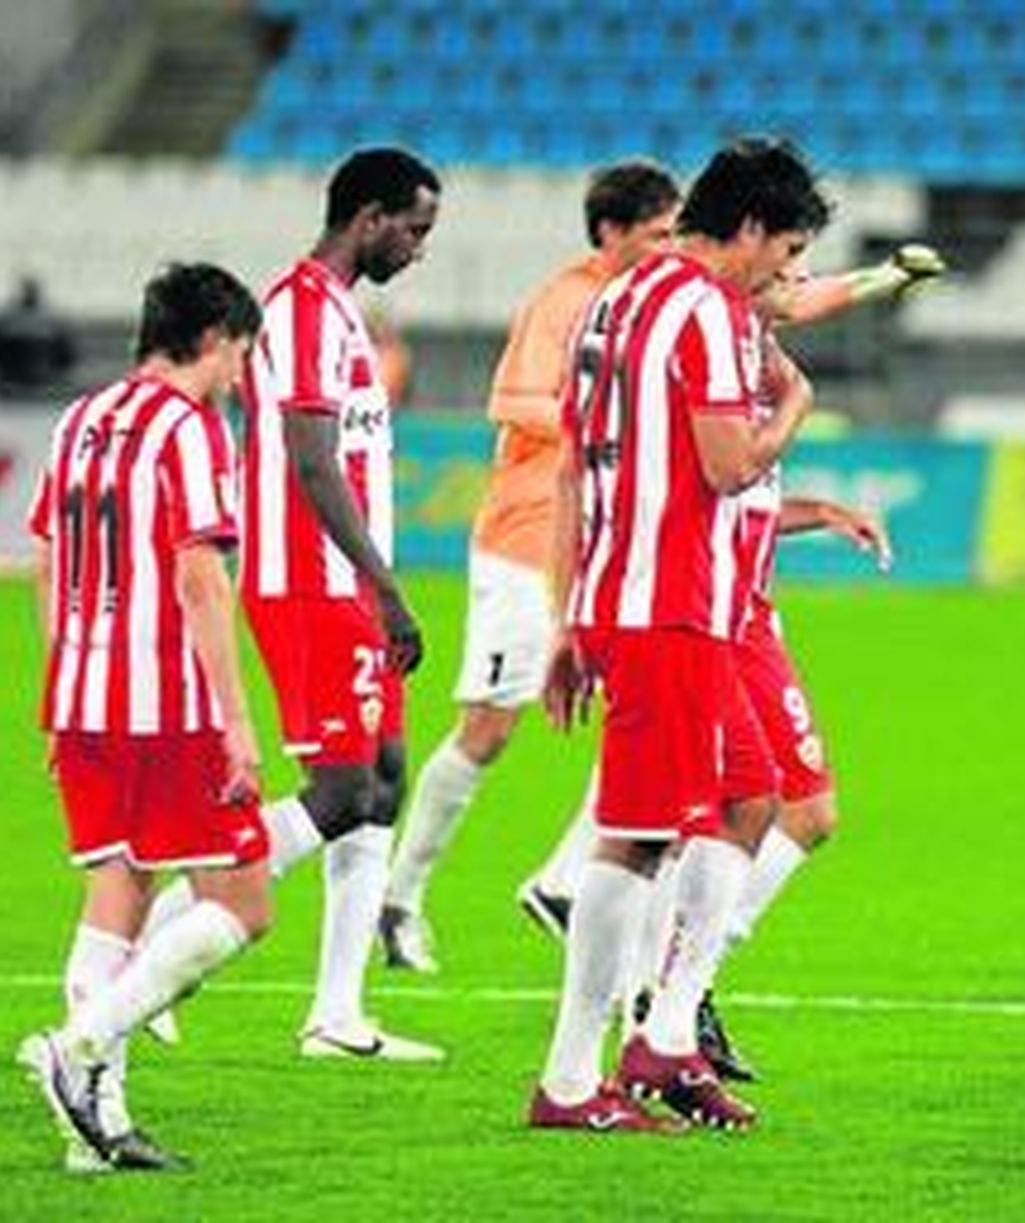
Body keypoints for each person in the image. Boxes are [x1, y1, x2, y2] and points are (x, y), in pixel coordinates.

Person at [524, 249, 944, 1082]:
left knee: (768, 808)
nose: (798, 283)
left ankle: (669, 997)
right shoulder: (713, 342)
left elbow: (735, 498)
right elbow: (700, 481)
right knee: (734, 811)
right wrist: (809, 387)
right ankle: (664, 999)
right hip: (706, 612)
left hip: (724, 605)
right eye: (787, 262)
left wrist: (819, 509)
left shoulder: (736, 342)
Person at [529, 138, 831, 1133]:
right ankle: (570, 1080)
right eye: (786, 250)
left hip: (626, 595)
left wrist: (570, 615)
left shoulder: (613, 301)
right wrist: (794, 406)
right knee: (639, 833)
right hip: (670, 603)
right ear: (747, 227)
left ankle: (664, 1037)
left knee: (749, 792)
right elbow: (730, 463)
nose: (783, 273)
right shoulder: (708, 311)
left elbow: (574, 466)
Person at [139, 147, 445, 1060]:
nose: (420, 248)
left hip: (347, 582)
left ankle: (337, 1015)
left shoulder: (342, 313)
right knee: (345, 789)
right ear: (369, 219)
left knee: (384, 779)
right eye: (414, 229)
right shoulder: (303, 311)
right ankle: (170, 921)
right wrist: (384, 587)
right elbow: (312, 464)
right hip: (311, 580)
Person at [378, 160, 683, 973]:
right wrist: (614, 421)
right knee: (489, 728)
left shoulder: (651, 303)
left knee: (653, 707)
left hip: (600, 546)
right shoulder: (565, 299)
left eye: (675, 234)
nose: (668, 248)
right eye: (656, 234)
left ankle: (563, 880)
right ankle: (399, 896)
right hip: (527, 538)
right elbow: (511, 402)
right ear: (611, 232)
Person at [16, 262, 270, 1172]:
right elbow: (201, 577)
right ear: (212, 339)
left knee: (117, 892)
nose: (241, 373)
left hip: (83, 696)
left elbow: (48, 559)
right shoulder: (189, 428)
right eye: (241, 352)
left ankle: (96, 1132)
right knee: (244, 903)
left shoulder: (79, 419)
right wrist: (236, 719)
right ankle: (76, 1046)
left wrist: (61, 685)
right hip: (166, 703)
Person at [0, 275, 78, 398]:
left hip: (17, 380)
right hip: (35, 380)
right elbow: (67, 357)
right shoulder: (52, 322)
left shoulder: (4, 320)